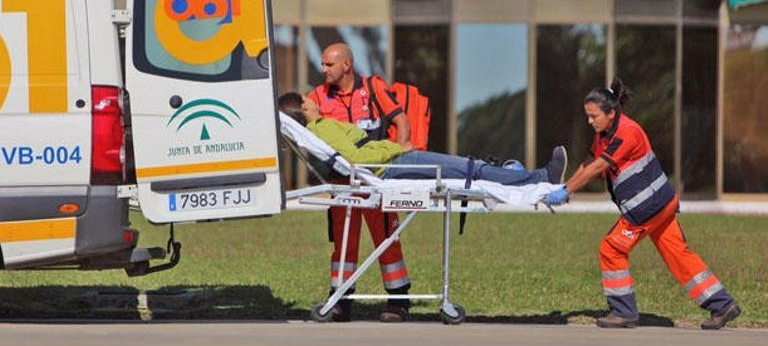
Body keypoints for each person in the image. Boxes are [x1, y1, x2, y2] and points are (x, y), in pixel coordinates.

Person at [545, 78, 741, 330]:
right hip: (661, 203)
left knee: (611, 248)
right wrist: (564, 188)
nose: (589, 121)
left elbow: (599, 167)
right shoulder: (604, 134)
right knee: (678, 254)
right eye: (588, 116)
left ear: (611, 112)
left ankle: (624, 311)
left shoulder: (628, 132)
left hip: (646, 208)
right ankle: (722, 304)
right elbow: (589, 161)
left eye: (594, 116)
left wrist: (567, 190)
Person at [305, 42, 413, 322]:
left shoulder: (374, 89)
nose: (323, 69)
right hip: (342, 184)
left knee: (388, 239)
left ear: (346, 65)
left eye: (329, 64)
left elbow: (402, 121)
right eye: (323, 64)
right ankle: (340, 300)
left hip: (376, 181)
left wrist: (400, 157)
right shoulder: (317, 97)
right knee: (343, 245)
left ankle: (399, 301)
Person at [280, 92, 568, 187]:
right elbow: (355, 159)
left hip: (393, 164)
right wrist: (397, 147)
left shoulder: (317, 132)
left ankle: (525, 177)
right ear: (305, 108)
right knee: (471, 169)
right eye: (308, 99)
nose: (313, 99)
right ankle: (540, 178)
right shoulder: (322, 127)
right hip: (397, 163)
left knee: (472, 168)